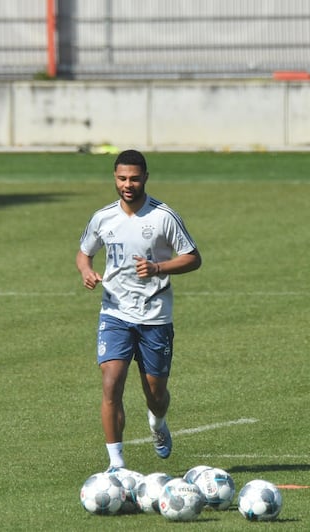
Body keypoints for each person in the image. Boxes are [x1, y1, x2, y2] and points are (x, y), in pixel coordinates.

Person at [76, 149, 201, 470]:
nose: (127, 184)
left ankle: (157, 423)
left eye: (133, 178)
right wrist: (86, 271)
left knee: (155, 393)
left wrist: (158, 268)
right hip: (115, 313)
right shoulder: (102, 217)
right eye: (121, 178)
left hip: (155, 316)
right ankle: (116, 465)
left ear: (145, 177)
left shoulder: (163, 216)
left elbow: (192, 257)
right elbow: (83, 252)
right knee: (110, 383)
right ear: (114, 179)